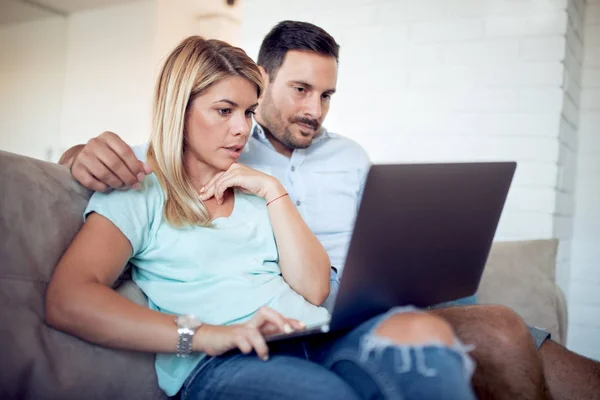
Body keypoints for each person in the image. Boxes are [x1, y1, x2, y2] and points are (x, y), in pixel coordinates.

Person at [58, 21, 600, 400]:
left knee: (433, 349)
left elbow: (315, 287)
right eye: (227, 110)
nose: (241, 128)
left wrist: (271, 190)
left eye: (244, 112)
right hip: (227, 355)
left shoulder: (257, 176)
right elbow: (73, 289)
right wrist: (202, 334)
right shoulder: (148, 178)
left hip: (316, 331)